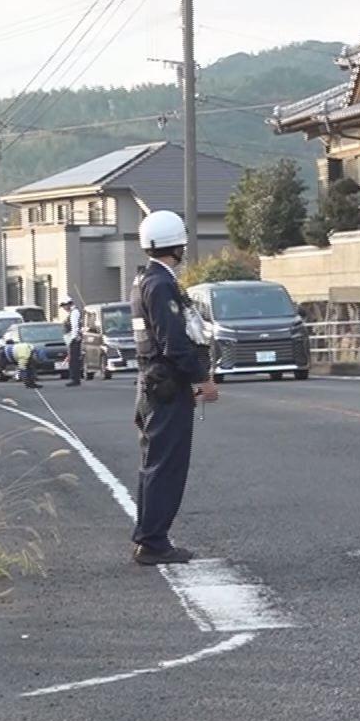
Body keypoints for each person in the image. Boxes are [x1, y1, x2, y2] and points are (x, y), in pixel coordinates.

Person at [130, 209, 217, 566]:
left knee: (155, 462)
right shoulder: (162, 283)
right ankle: (153, 541)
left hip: (151, 380)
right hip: (165, 383)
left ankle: (149, 536)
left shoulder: (143, 280)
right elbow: (174, 342)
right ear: (176, 245)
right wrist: (202, 378)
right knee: (166, 465)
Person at [61, 296, 85, 386]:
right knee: (72, 359)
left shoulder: (74, 313)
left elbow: (75, 327)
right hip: (72, 339)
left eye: (64, 305)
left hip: (74, 340)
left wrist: (73, 339)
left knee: (74, 360)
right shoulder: (72, 312)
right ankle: (74, 378)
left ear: (68, 304)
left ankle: (75, 379)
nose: (64, 308)